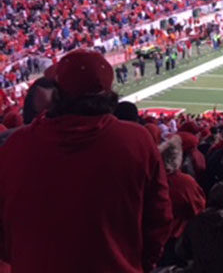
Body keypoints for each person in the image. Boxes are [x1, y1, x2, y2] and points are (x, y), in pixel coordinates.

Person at [0, 48, 173, 273]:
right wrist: (139, 262)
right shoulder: (136, 140)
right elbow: (160, 217)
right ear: (107, 91)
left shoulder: (17, 144)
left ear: (57, 93)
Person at [159, 134, 206, 266]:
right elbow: (199, 208)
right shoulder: (184, 182)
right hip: (175, 238)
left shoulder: (148, 177)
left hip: (151, 236)